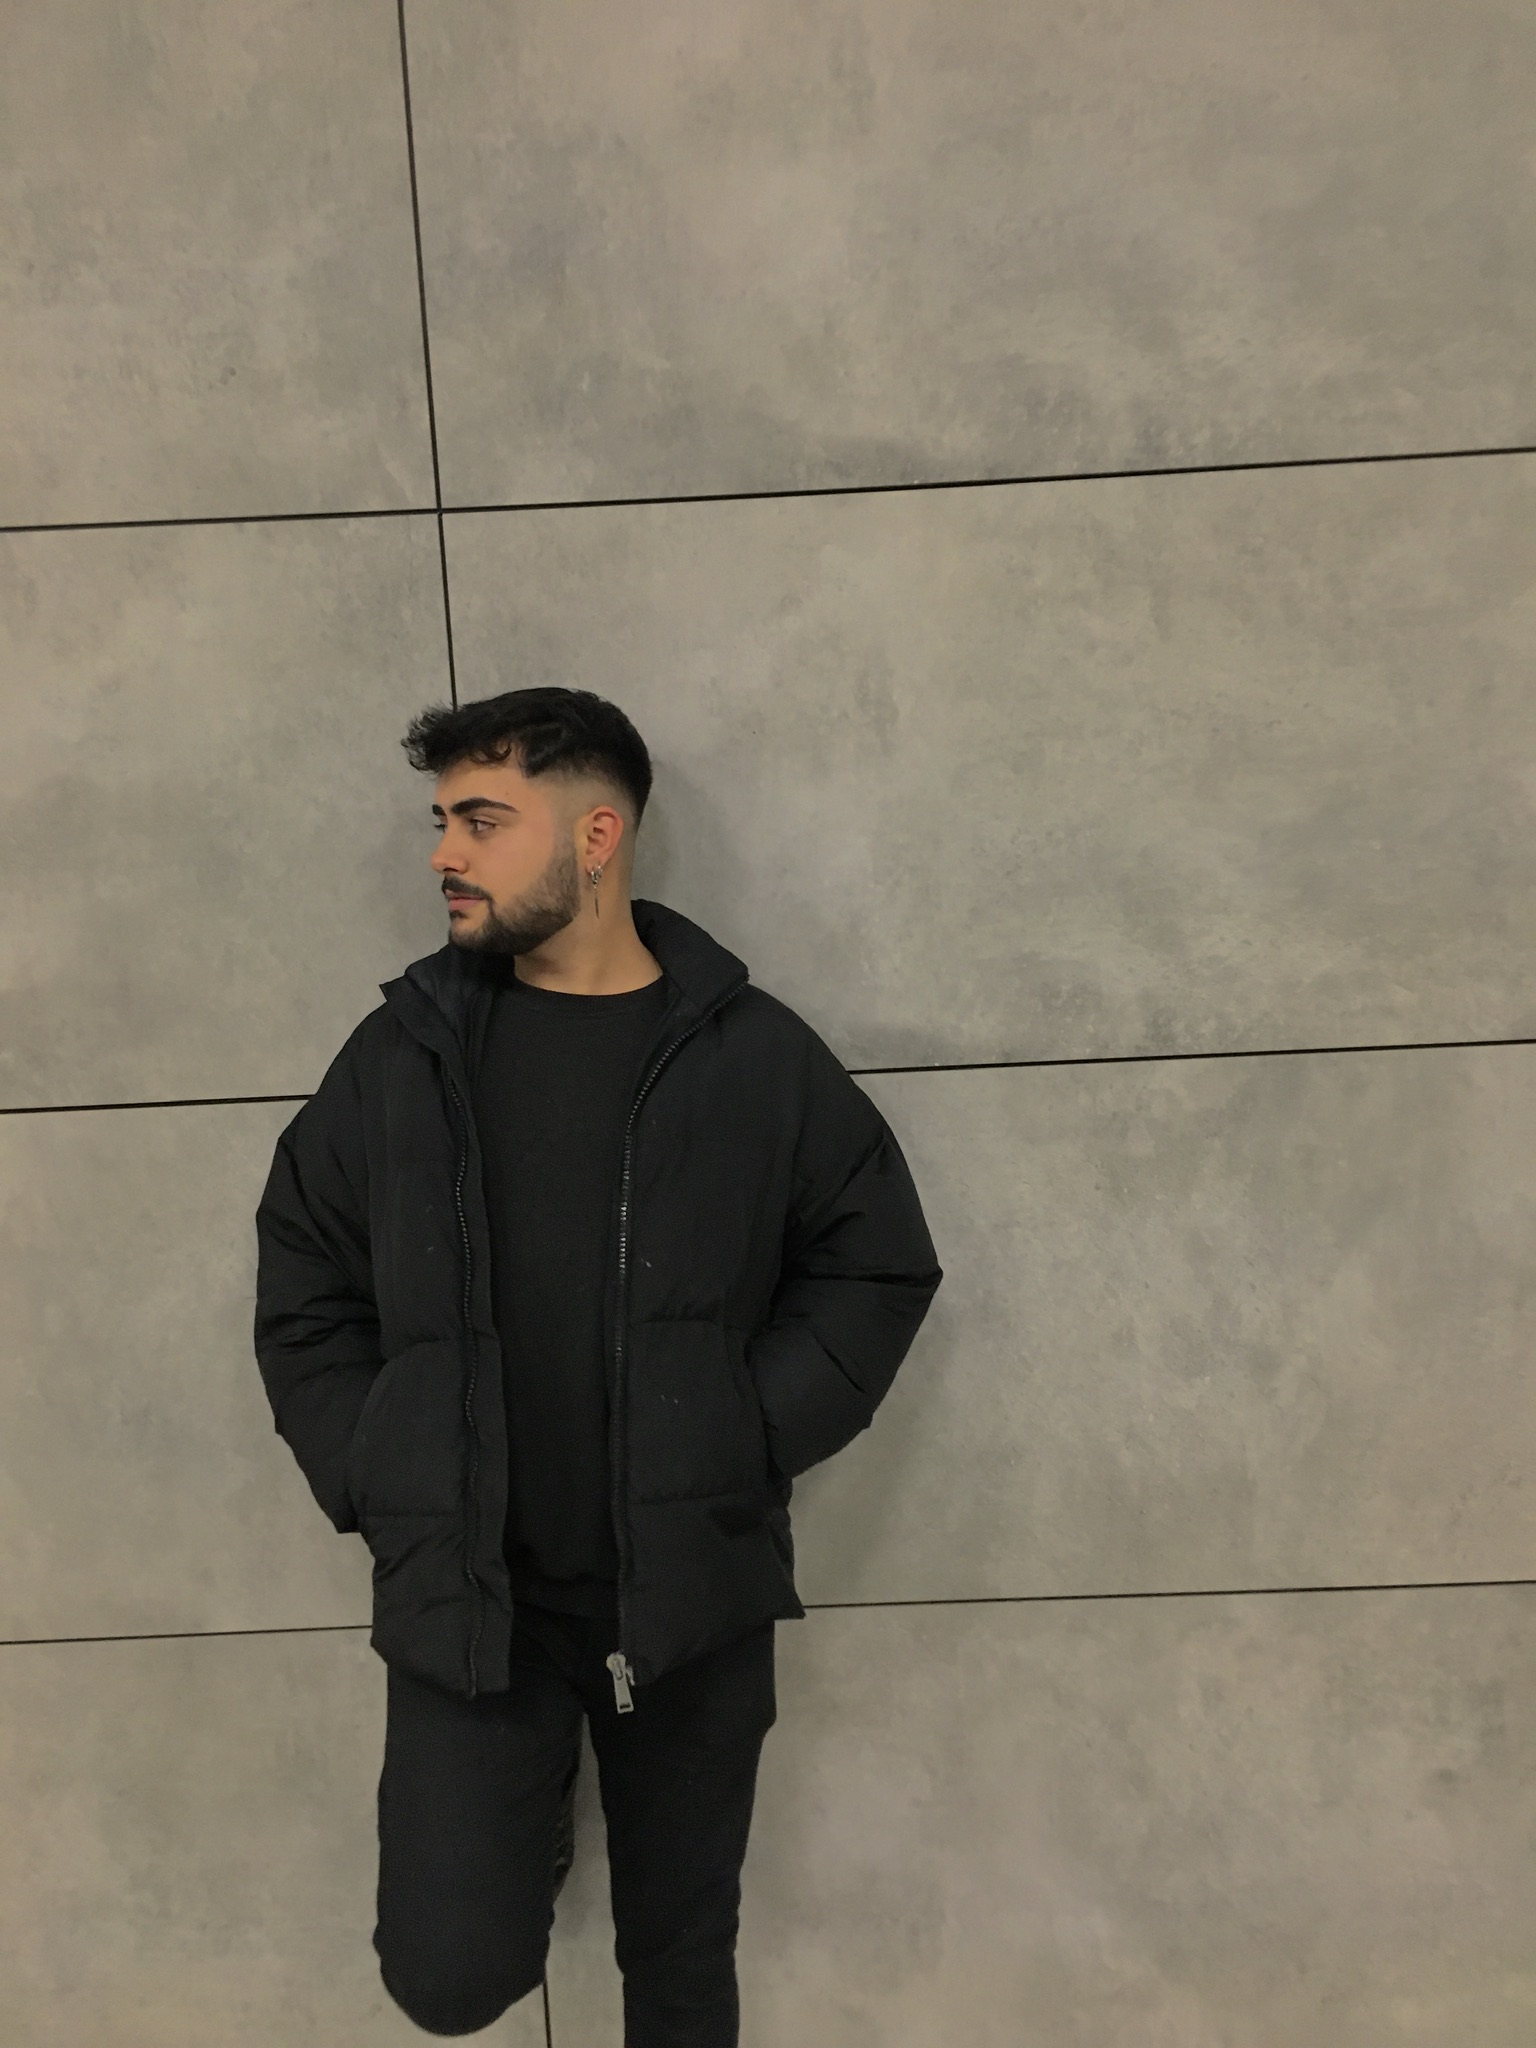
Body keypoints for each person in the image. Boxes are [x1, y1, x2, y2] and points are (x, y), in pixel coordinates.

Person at [252, 686, 944, 2045]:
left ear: (596, 836)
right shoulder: (405, 1054)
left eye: (482, 822)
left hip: (687, 1596)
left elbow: (877, 1265)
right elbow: (304, 1276)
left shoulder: (751, 1055)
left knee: (680, 1970)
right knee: (446, 1978)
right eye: (442, 821)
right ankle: (535, 1830)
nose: (443, 853)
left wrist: (740, 1436)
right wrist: (378, 1465)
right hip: (476, 1603)